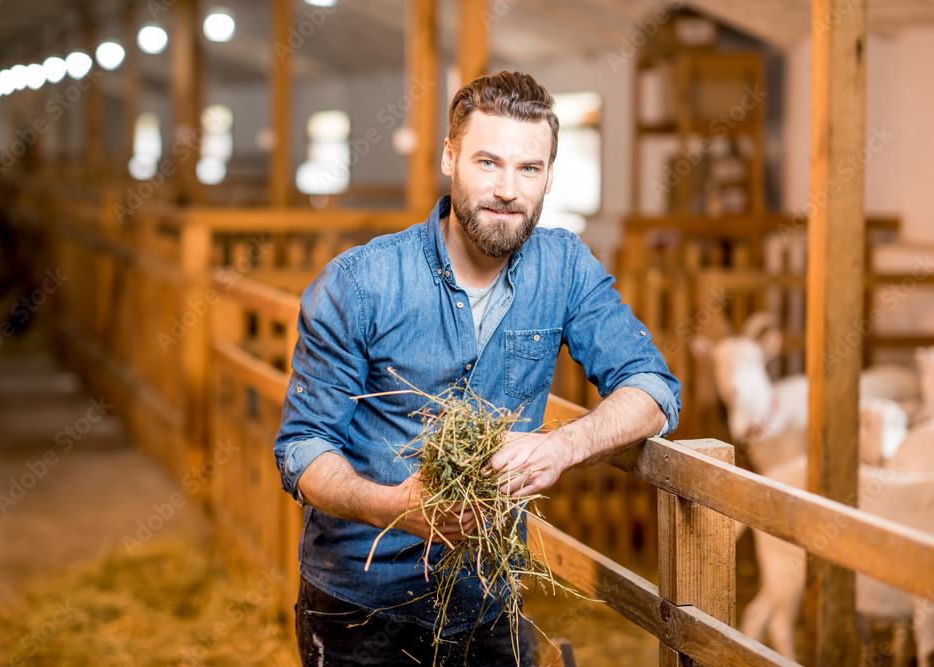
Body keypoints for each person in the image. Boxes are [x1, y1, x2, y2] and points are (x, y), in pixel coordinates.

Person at [274, 70, 681, 666]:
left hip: (486, 596)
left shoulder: (564, 267)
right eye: (488, 163)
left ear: (547, 176)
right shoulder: (360, 284)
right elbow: (303, 448)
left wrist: (561, 447)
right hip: (360, 603)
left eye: (529, 168)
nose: (508, 189)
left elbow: (653, 387)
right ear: (450, 157)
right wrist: (397, 508)